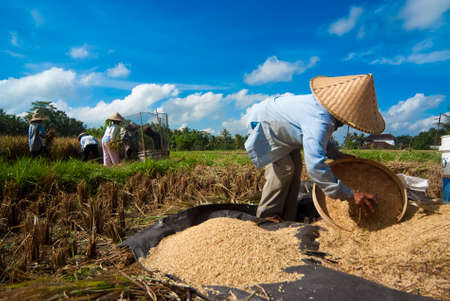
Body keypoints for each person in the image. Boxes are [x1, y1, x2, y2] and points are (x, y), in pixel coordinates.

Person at [244, 74, 382, 221]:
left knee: (295, 170)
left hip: (285, 131)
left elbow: (319, 142)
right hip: (265, 124)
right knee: (284, 171)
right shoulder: (320, 120)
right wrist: (350, 195)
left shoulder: (322, 113)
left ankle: (287, 219)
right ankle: (267, 218)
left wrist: (337, 155)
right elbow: (315, 167)